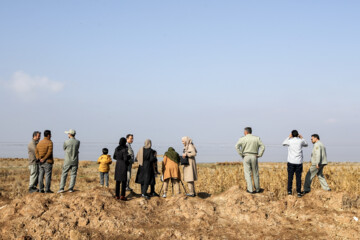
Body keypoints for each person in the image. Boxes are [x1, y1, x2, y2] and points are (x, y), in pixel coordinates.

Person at [235, 127, 265, 194]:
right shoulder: (257, 138)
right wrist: (259, 155)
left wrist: (241, 154)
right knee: (255, 173)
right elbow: (263, 146)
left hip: (246, 156)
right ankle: (257, 189)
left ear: (245, 132)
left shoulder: (242, 139)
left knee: (247, 173)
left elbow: (236, 146)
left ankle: (250, 189)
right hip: (254, 156)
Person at [282, 130, 308, 197]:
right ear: (298, 135)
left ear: (292, 135)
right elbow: (306, 144)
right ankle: (299, 192)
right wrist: (302, 137)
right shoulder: (300, 141)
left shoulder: (290, 141)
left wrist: (289, 137)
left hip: (291, 161)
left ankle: (289, 191)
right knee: (298, 178)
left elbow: (283, 143)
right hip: (298, 162)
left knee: (290, 177)